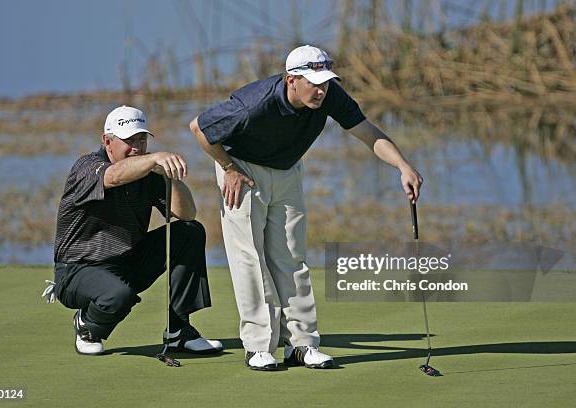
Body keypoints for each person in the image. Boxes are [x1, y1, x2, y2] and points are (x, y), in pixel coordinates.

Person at [189, 45, 423, 370]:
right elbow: (199, 128)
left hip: (287, 170)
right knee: (250, 258)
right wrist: (228, 168)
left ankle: (301, 345)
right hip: (243, 168)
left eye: (326, 81)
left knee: (292, 256)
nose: (321, 89)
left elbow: (367, 132)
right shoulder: (253, 104)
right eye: (314, 82)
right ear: (291, 80)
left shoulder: (330, 96)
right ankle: (258, 347)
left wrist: (403, 166)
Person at [46, 105, 222, 356]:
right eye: (128, 141)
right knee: (118, 296)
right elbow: (114, 177)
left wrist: (168, 178)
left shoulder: (146, 172)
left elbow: (186, 213)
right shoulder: (86, 167)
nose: (136, 147)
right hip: (77, 271)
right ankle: (88, 325)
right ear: (107, 141)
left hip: (126, 263)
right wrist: (152, 160)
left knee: (189, 231)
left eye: (141, 139)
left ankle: (179, 329)